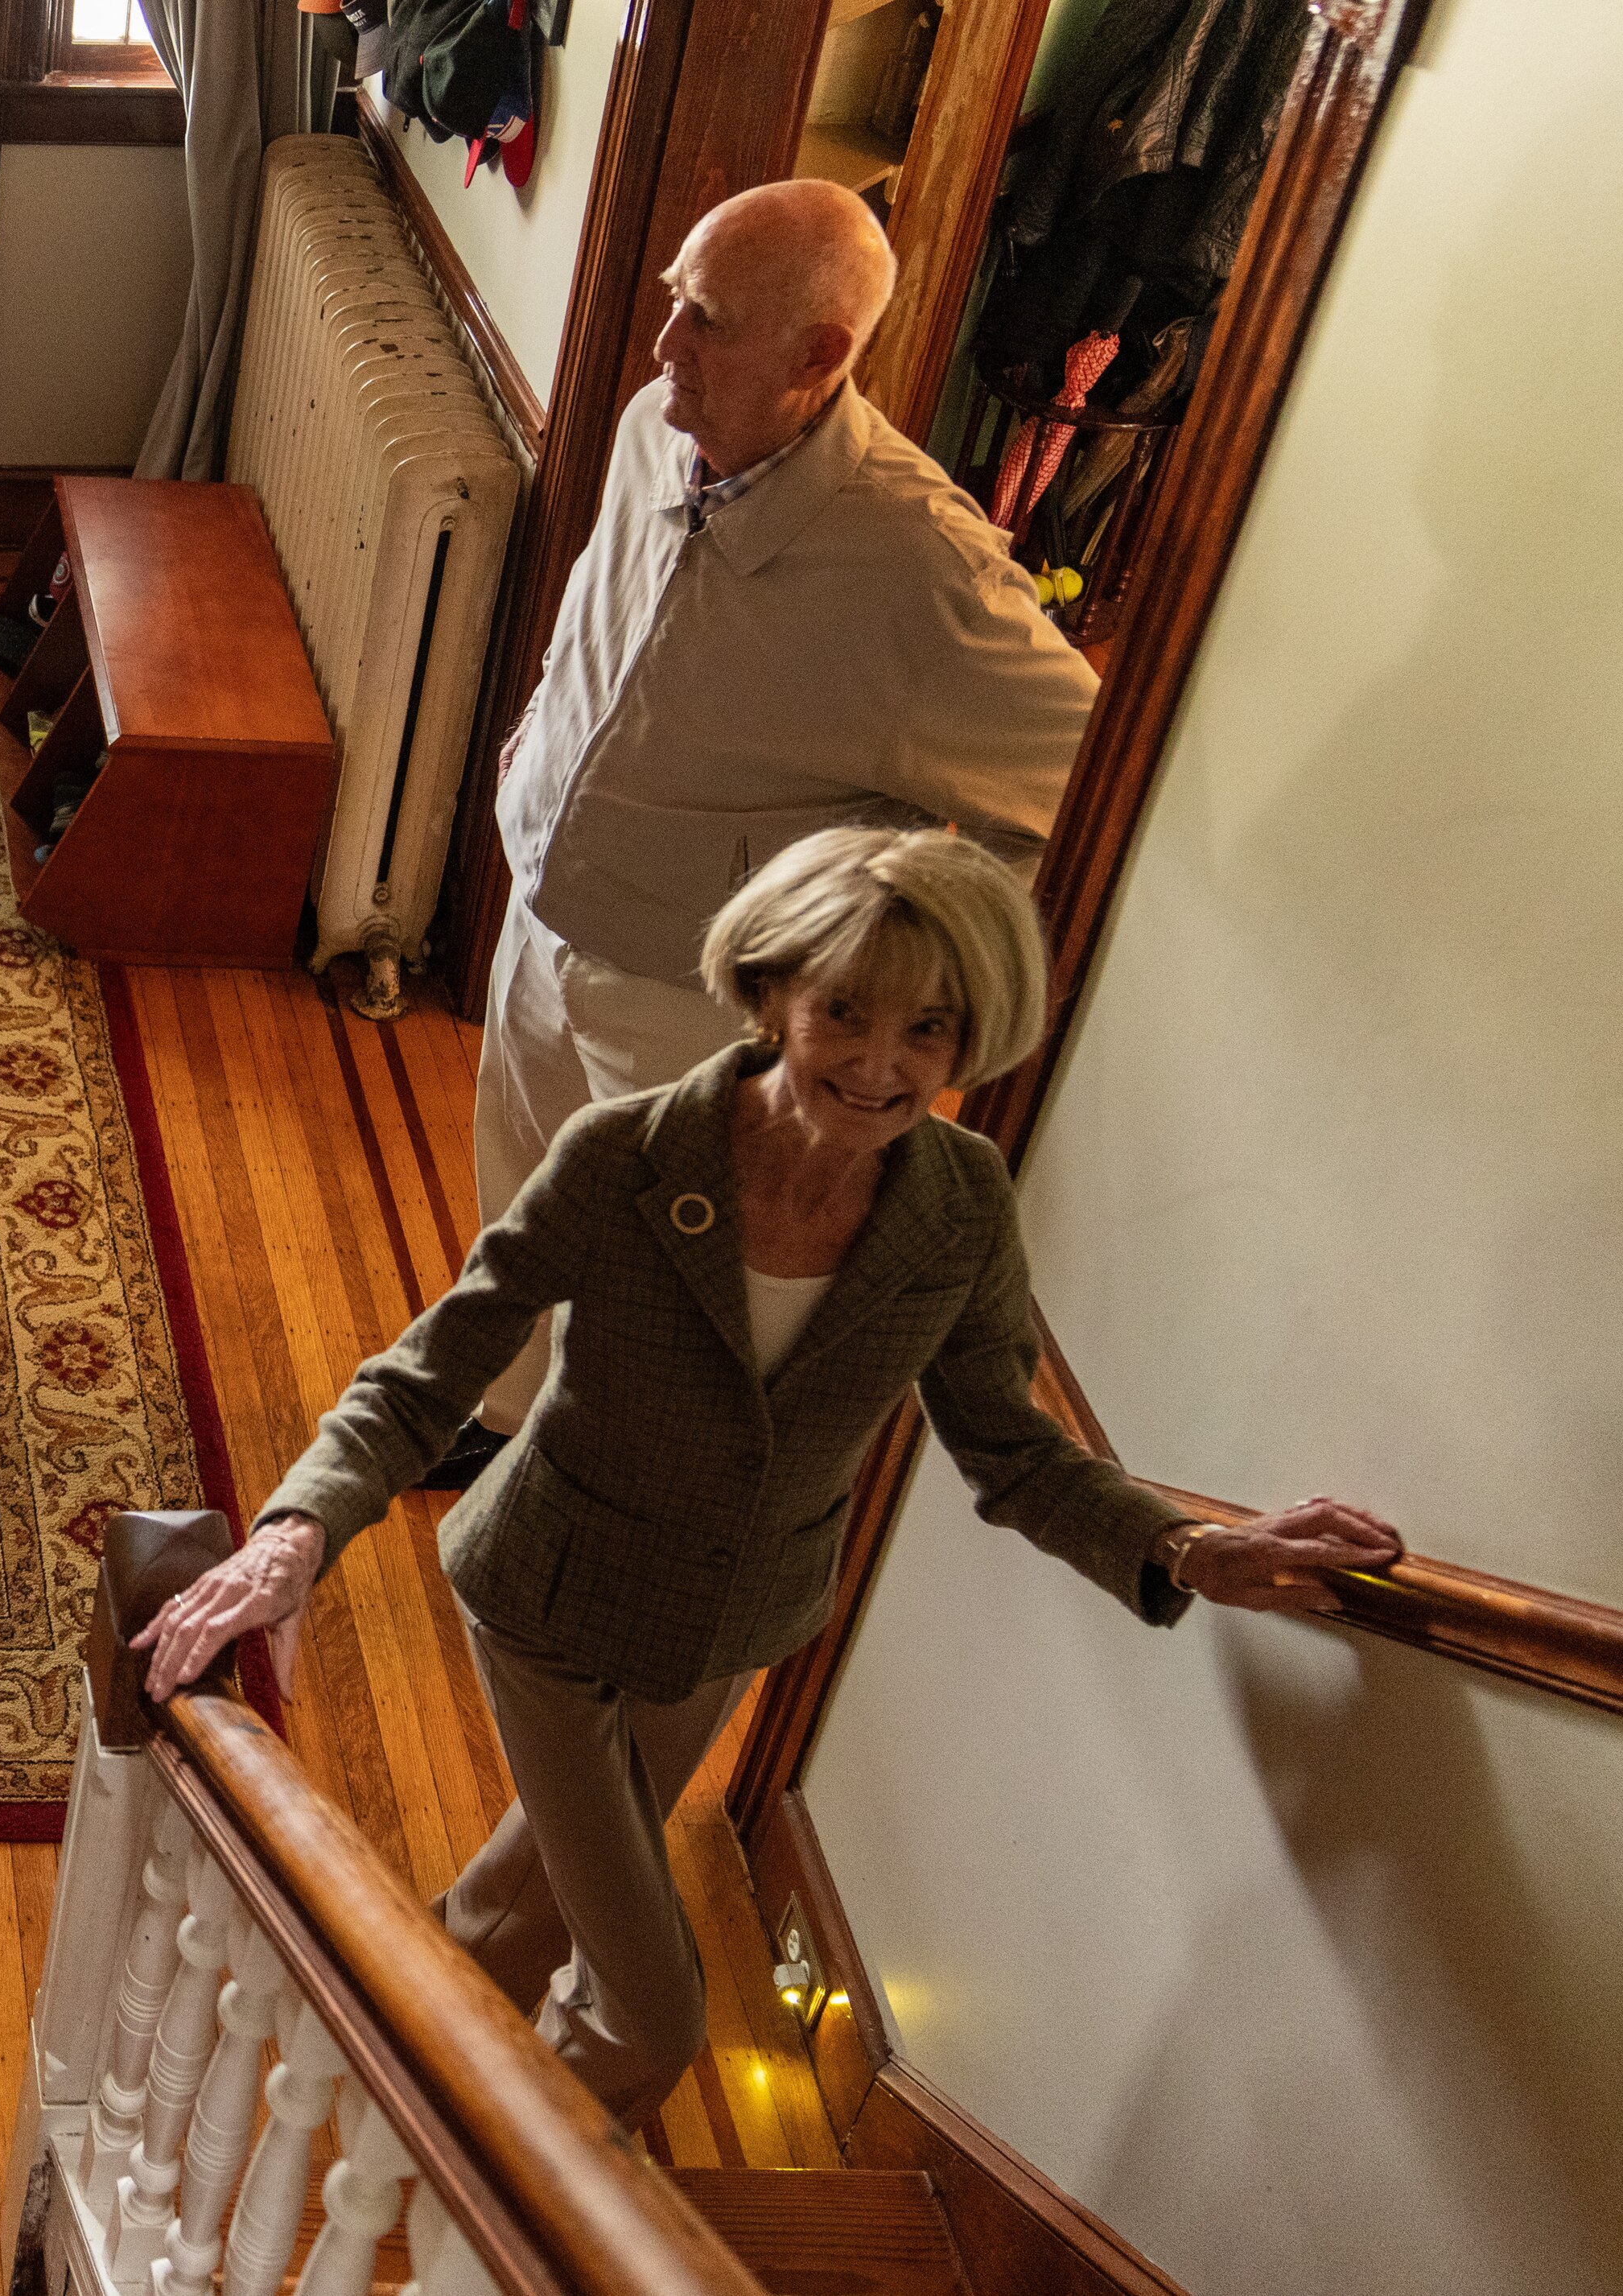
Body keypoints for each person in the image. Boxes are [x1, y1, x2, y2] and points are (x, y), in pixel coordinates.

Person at [132, 827, 1405, 2124]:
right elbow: (429, 1370)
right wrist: (293, 1536)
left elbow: (1011, 1448)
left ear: (974, 1039)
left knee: (523, 1899)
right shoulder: (625, 1158)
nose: (880, 1062)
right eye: (845, 1009)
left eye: (929, 1027)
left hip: (734, 1624)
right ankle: (498, 2208)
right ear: (773, 985)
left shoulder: (961, 1208)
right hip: (552, 1604)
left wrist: (1186, 1548)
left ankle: (365, 2082)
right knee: (653, 2008)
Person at [438, 177, 1101, 1483]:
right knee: (518, 1195)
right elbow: (596, 598)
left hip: (688, 999)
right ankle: (499, 1415)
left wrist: (906, 961)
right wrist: (540, 727)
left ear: (820, 357)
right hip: (543, 910)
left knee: (661, 1282)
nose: (664, 348)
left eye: (708, 322)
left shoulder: (923, 568)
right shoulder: (650, 427)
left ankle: (596, 1481)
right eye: (674, 302)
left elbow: (1095, 773)